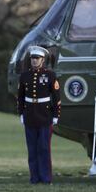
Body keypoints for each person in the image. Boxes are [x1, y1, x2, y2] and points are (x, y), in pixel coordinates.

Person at [17, 45, 61, 184]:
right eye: (32, 58)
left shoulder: (50, 75)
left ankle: (46, 178)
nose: (34, 61)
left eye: (37, 58)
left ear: (43, 60)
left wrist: (55, 115)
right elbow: (20, 97)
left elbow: (56, 97)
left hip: (45, 115)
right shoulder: (24, 76)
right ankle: (34, 178)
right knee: (32, 149)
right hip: (30, 115)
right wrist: (21, 113)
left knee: (43, 148)